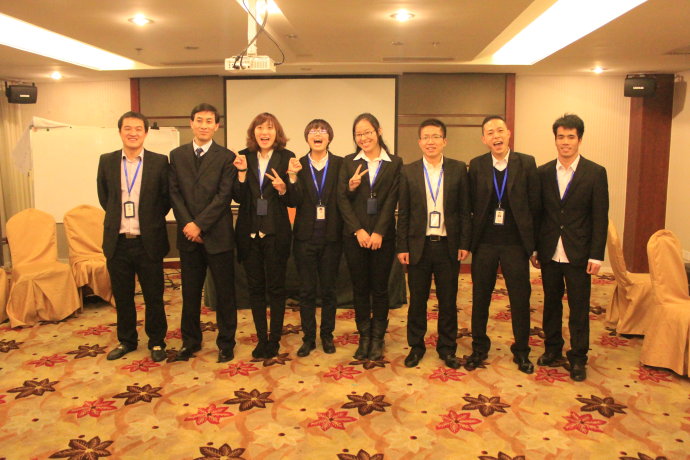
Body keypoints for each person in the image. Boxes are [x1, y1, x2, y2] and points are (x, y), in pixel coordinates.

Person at [532, 114, 609, 382]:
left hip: (579, 253)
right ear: (555, 140)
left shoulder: (595, 173)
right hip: (550, 251)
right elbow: (538, 214)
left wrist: (596, 255)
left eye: (571, 137)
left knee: (579, 307)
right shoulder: (542, 172)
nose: (565, 142)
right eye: (561, 137)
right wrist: (535, 249)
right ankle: (552, 349)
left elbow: (600, 217)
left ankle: (578, 357)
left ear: (580, 139)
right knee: (551, 304)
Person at [467, 115, 541, 374]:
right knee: (480, 298)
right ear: (484, 139)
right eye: (490, 132)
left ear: (508, 133)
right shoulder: (477, 165)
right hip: (485, 244)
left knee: (520, 299)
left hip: (515, 244)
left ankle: (522, 351)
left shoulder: (526, 163)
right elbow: (469, 206)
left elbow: (535, 207)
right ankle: (479, 348)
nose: (496, 136)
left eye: (500, 130)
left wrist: (534, 246)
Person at [396, 119, 471, 369]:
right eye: (426, 137)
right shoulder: (408, 171)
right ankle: (416, 347)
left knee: (448, 300)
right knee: (417, 300)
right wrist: (402, 246)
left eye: (436, 136)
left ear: (444, 141)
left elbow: (464, 210)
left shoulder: (458, 169)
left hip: (448, 245)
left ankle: (447, 348)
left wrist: (464, 242)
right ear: (419, 142)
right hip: (419, 246)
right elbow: (404, 213)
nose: (431, 141)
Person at [97, 111, 170, 362]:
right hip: (117, 242)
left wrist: (149, 221)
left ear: (146, 133)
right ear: (120, 132)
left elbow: (165, 200)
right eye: (127, 128)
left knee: (154, 296)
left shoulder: (159, 162)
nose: (133, 133)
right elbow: (105, 197)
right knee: (123, 297)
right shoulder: (107, 161)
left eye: (138, 128)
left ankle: (157, 341)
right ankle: (127, 341)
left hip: (148, 241)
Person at [169, 103, 238, 363]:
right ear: (191, 123)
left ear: (217, 126)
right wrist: (189, 224)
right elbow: (174, 193)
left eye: (209, 121)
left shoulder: (226, 157)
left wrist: (200, 225)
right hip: (188, 237)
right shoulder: (176, 155)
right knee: (189, 293)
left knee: (224, 294)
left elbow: (224, 196)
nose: (204, 125)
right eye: (199, 120)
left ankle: (226, 343)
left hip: (218, 236)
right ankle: (190, 341)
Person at [337, 113, 402, 361]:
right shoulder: (348, 162)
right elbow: (342, 200)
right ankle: (364, 337)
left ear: (379, 131)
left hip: (382, 237)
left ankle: (378, 338)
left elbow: (392, 200)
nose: (363, 138)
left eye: (367, 132)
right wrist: (359, 230)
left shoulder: (394, 163)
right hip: (356, 237)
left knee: (380, 288)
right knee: (360, 288)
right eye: (358, 134)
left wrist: (379, 232)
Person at [234, 113, 295, 359]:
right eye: (259, 127)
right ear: (254, 132)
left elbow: (293, 200)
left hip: (276, 233)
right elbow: (238, 197)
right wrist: (241, 174)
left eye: (269, 128)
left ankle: (275, 339)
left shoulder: (287, 157)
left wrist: (283, 188)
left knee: (277, 288)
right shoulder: (243, 157)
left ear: (276, 132)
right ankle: (262, 338)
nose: (264, 132)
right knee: (256, 288)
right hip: (249, 233)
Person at [287, 119, 343, 357]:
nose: (317, 134)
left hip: (332, 238)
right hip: (305, 238)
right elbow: (292, 201)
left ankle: (327, 335)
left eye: (322, 131)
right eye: (313, 131)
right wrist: (292, 178)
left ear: (329, 137)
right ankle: (308, 338)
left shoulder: (341, 164)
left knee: (329, 291)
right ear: (307, 137)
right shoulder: (297, 165)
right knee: (307, 291)